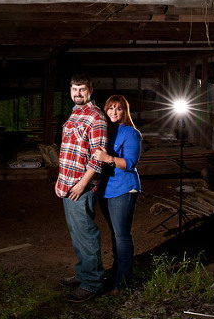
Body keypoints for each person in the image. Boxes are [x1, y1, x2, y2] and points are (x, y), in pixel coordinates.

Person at [55, 73, 108, 303]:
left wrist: (81, 184)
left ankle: (92, 283)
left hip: (81, 187)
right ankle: (82, 273)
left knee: (86, 234)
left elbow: (98, 160)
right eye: (74, 89)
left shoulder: (96, 118)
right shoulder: (76, 114)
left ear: (91, 90)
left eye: (82, 89)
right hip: (67, 185)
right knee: (77, 234)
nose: (77, 93)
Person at [94, 94, 142, 295]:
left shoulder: (130, 133)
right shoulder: (106, 132)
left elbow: (130, 163)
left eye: (118, 109)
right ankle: (115, 273)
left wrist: (108, 158)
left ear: (125, 112)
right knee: (115, 234)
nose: (114, 112)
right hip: (107, 189)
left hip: (124, 188)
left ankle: (124, 282)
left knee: (122, 236)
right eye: (110, 108)